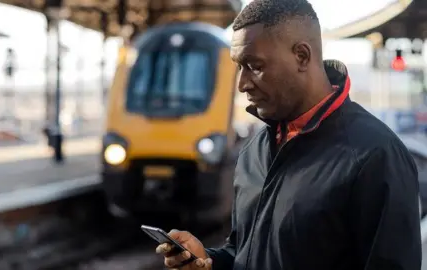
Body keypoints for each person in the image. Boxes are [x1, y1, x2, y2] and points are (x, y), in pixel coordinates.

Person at [155, 0, 422, 269]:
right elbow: (243, 252)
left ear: (302, 57)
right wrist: (210, 261)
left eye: (255, 66)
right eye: (239, 67)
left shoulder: (375, 156)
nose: (242, 84)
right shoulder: (254, 152)